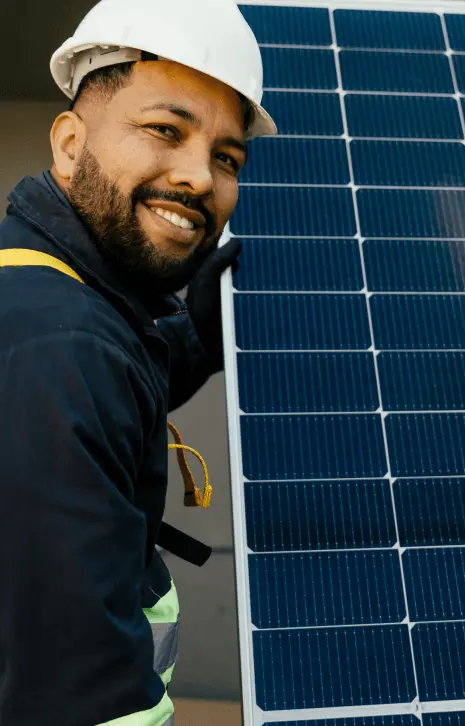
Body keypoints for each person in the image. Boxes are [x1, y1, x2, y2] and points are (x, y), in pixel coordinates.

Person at [0, 0, 276, 723]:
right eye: (164, 130)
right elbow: (76, 700)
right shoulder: (64, 353)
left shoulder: (54, 295)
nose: (198, 179)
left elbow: (112, 380)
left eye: (226, 158)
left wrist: (195, 336)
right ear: (69, 144)